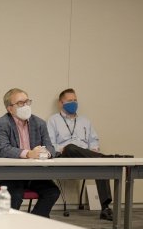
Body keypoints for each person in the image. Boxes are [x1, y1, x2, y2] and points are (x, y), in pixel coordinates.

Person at [47, 88, 114, 221]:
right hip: (64, 157)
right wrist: (63, 148)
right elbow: (50, 145)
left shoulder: (85, 121)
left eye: (75, 100)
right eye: (70, 100)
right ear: (61, 103)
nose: (74, 103)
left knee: (101, 165)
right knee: (71, 147)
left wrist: (94, 149)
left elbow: (93, 140)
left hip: (85, 158)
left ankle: (105, 208)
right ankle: (107, 158)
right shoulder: (53, 120)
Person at [0, 88, 61, 217]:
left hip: (33, 172)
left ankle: (34, 222)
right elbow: (3, 149)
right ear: (10, 108)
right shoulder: (2, 123)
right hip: (10, 173)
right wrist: (29, 153)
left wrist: (45, 153)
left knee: (52, 191)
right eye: (20, 103)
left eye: (27, 102)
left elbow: (50, 147)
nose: (25, 106)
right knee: (15, 196)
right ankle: (7, 228)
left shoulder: (39, 123)